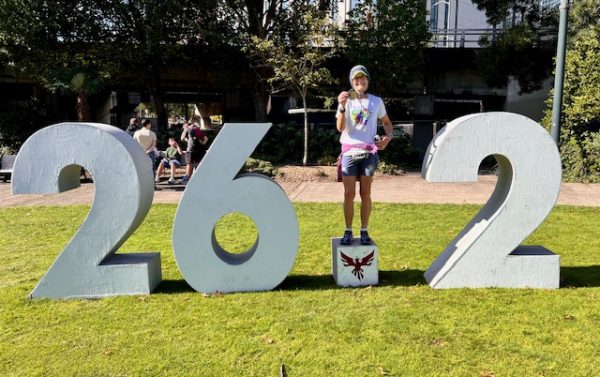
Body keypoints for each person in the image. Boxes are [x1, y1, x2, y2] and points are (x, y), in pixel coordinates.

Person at [335, 65, 393, 246]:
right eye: (356, 79)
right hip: (350, 153)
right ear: (352, 82)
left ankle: (365, 230)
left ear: (368, 80)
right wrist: (342, 107)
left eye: (363, 78)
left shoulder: (376, 101)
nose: (360, 82)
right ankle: (347, 230)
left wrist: (388, 137)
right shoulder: (345, 100)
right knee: (348, 194)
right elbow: (340, 128)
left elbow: (387, 123)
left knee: (366, 193)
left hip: (368, 153)